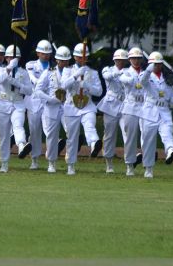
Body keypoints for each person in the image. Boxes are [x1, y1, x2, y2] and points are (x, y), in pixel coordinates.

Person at [138, 51, 173, 178]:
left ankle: (171, 151)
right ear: (150, 64)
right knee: (148, 141)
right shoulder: (146, 75)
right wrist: (148, 70)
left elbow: (171, 98)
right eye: (155, 64)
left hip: (164, 112)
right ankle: (148, 169)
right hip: (149, 111)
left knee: (167, 133)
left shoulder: (167, 79)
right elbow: (142, 82)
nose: (157, 66)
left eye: (159, 64)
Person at [60, 43, 102, 175]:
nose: (81, 59)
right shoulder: (67, 70)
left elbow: (99, 92)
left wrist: (87, 85)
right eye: (78, 57)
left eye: (83, 57)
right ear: (74, 57)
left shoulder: (93, 73)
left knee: (89, 125)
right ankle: (71, 165)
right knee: (72, 137)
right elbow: (63, 86)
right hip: (71, 105)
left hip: (87, 105)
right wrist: (76, 76)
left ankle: (94, 143)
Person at [0, 45, 33, 172]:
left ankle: (21, 145)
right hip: (3, 103)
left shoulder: (23, 73)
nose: (11, 59)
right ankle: (4, 163)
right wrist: (9, 68)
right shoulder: (0, 69)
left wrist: (17, 84)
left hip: (18, 102)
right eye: (9, 57)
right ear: (6, 58)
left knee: (18, 125)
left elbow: (29, 91)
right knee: (4, 134)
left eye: (14, 57)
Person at [34, 46, 71, 173]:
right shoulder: (48, 72)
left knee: (70, 132)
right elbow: (38, 90)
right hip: (51, 107)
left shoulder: (72, 73)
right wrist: (49, 99)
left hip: (67, 107)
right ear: (56, 60)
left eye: (66, 60)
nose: (64, 63)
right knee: (51, 135)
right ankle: (51, 162)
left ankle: (70, 162)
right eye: (61, 60)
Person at [118, 47, 151, 176]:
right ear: (129, 59)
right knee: (130, 137)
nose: (136, 61)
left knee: (147, 136)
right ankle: (129, 165)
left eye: (138, 58)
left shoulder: (146, 73)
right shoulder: (125, 72)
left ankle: (148, 166)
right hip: (130, 105)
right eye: (133, 58)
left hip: (144, 106)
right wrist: (131, 79)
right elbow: (124, 80)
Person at [97, 49, 129, 173]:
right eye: (118, 60)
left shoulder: (129, 71)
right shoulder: (108, 69)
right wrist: (119, 73)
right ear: (114, 60)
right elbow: (107, 77)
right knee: (109, 135)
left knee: (127, 134)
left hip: (125, 104)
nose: (120, 62)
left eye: (123, 60)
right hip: (111, 104)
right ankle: (109, 163)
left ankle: (129, 163)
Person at [25, 39, 53, 169]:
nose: (45, 55)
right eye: (43, 53)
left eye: (48, 53)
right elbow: (33, 79)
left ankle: (50, 159)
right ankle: (34, 159)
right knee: (34, 130)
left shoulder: (54, 66)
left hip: (49, 100)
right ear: (38, 53)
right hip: (34, 101)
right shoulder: (31, 65)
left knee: (49, 130)